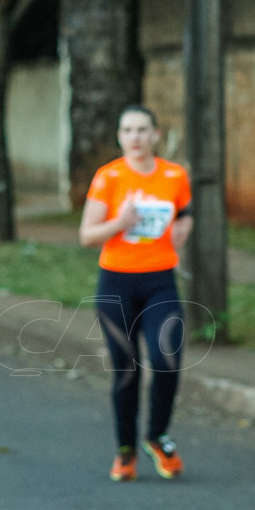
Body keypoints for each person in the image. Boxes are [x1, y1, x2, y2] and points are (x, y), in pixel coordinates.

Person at [78, 104, 193, 482]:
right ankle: (125, 451)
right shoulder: (108, 177)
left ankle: (157, 436)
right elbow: (87, 235)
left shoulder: (174, 176)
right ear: (120, 137)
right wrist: (121, 222)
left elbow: (185, 212)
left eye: (143, 129)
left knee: (167, 359)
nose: (136, 137)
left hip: (161, 282)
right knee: (126, 371)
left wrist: (183, 229)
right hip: (116, 286)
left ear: (156, 135)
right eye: (128, 130)